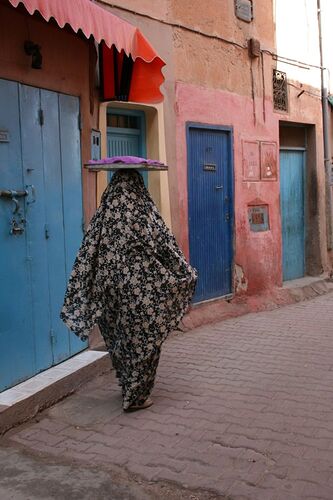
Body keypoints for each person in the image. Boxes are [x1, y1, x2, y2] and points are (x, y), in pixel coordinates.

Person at [61, 169, 197, 412]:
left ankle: (127, 385)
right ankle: (136, 395)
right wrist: (183, 271)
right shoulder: (143, 210)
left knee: (119, 338)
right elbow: (163, 242)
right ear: (138, 184)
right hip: (142, 289)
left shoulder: (105, 214)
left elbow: (88, 251)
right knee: (145, 340)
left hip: (110, 288)